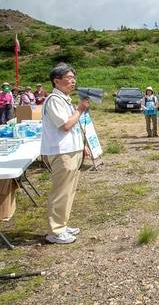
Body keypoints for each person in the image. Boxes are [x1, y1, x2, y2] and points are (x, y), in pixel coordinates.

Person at [40, 63, 90, 244]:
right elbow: (66, 125)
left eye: (73, 77)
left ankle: (62, 224)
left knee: (69, 191)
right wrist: (80, 109)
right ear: (57, 81)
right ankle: (55, 231)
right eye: (69, 78)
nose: (73, 81)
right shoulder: (54, 100)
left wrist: (81, 145)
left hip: (71, 150)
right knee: (61, 192)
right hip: (62, 153)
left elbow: (72, 126)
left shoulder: (64, 99)